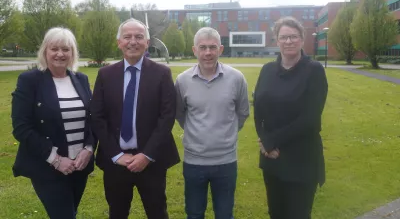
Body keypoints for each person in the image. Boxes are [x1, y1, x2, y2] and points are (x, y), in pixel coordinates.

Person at [91, 18, 180, 219]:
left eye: (139, 37)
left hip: (151, 161)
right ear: (119, 42)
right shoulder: (105, 74)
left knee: (157, 212)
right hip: (116, 162)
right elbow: (97, 116)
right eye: (127, 37)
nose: (133, 41)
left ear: (147, 43)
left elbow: (167, 117)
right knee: (117, 213)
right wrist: (116, 154)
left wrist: (146, 155)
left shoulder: (162, 73)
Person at [11, 27, 95, 219]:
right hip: (47, 166)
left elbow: (93, 119)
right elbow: (21, 127)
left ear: (72, 53)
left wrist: (88, 149)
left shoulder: (81, 79)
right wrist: (56, 160)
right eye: (54, 48)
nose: (60, 54)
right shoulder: (30, 80)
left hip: (79, 166)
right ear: (45, 51)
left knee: (70, 212)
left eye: (66, 49)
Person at [254, 16, 328, 219]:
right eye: (283, 37)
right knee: (276, 213)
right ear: (276, 40)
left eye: (293, 37)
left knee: (298, 214)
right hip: (272, 160)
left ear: (302, 39)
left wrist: (272, 142)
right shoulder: (267, 70)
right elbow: (258, 110)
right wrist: (266, 143)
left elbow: (310, 118)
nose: (288, 41)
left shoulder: (314, 71)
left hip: (300, 159)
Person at [175, 27, 250, 219]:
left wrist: (225, 134)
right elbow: (180, 114)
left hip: (226, 162)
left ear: (220, 49)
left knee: (224, 214)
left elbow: (242, 113)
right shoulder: (182, 81)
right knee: (194, 213)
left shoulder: (236, 78)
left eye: (212, 47)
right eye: (203, 47)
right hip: (194, 162)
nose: (208, 52)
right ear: (194, 50)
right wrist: (197, 134)